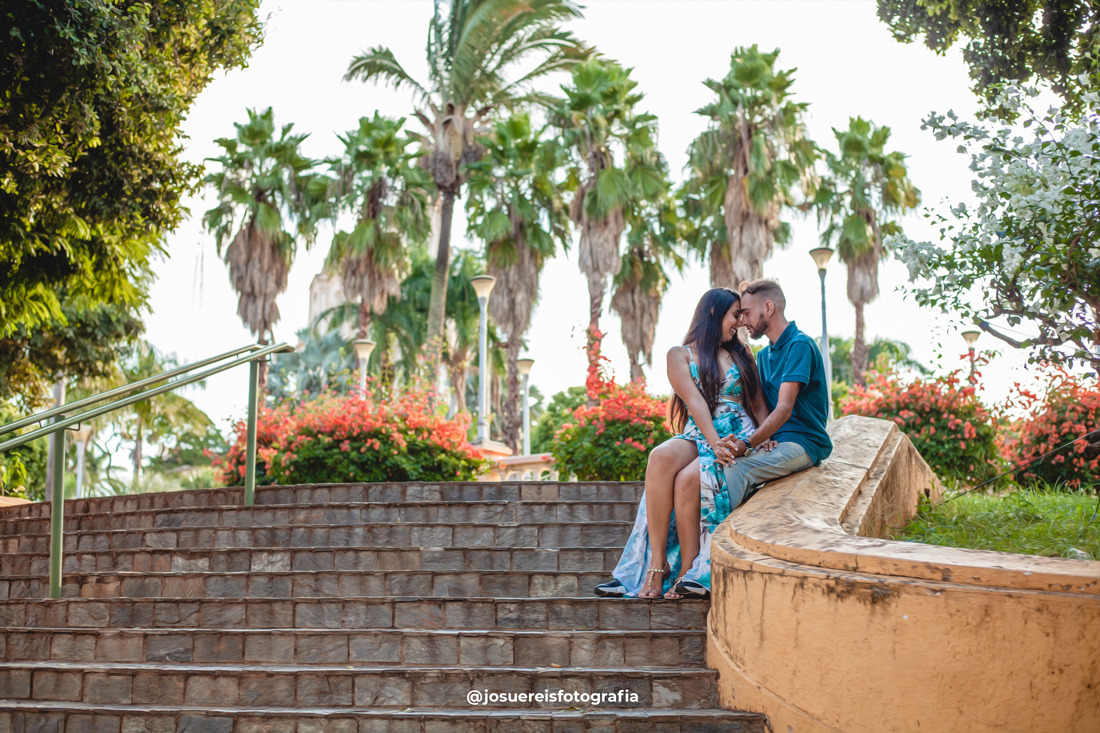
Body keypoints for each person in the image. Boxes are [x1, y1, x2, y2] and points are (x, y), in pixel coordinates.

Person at [595, 288, 774, 600]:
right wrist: (714, 441)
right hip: (702, 429)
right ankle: (655, 564)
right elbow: (695, 401)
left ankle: (686, 569)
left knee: (687, 478)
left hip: (737, 431)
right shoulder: (680, 355)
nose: (739, 322)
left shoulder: (742, 354)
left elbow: (757, 403)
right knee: (661, 456)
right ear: (715, 313)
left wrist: (764, 435)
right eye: (735, 315)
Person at [665, 279, 833, 583]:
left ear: (768, 308)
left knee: (722, 471)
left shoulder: (800, 345)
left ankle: (710, 569)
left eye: (746, 312)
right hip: (773, 442)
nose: (742, 320)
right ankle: (688, 567)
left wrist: (747, 443)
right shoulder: (765, 355)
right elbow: (757, 407)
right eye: (738, 314)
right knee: (691, 474)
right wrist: (760, 437)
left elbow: (783, 409)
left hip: (803, 443)